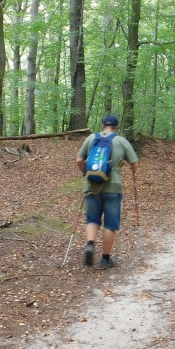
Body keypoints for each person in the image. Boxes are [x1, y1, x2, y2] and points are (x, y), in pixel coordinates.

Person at [75, 115, 139, 269]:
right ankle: (105, 259)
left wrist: (85, 173)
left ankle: (90, 243)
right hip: (113, 187)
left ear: (102, 125)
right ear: (116, 127)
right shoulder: (121, 141)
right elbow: (135, 164)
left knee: (92, 219)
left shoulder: (91, 138)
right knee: (110, 223)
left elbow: (78, 160)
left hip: (91, 186)